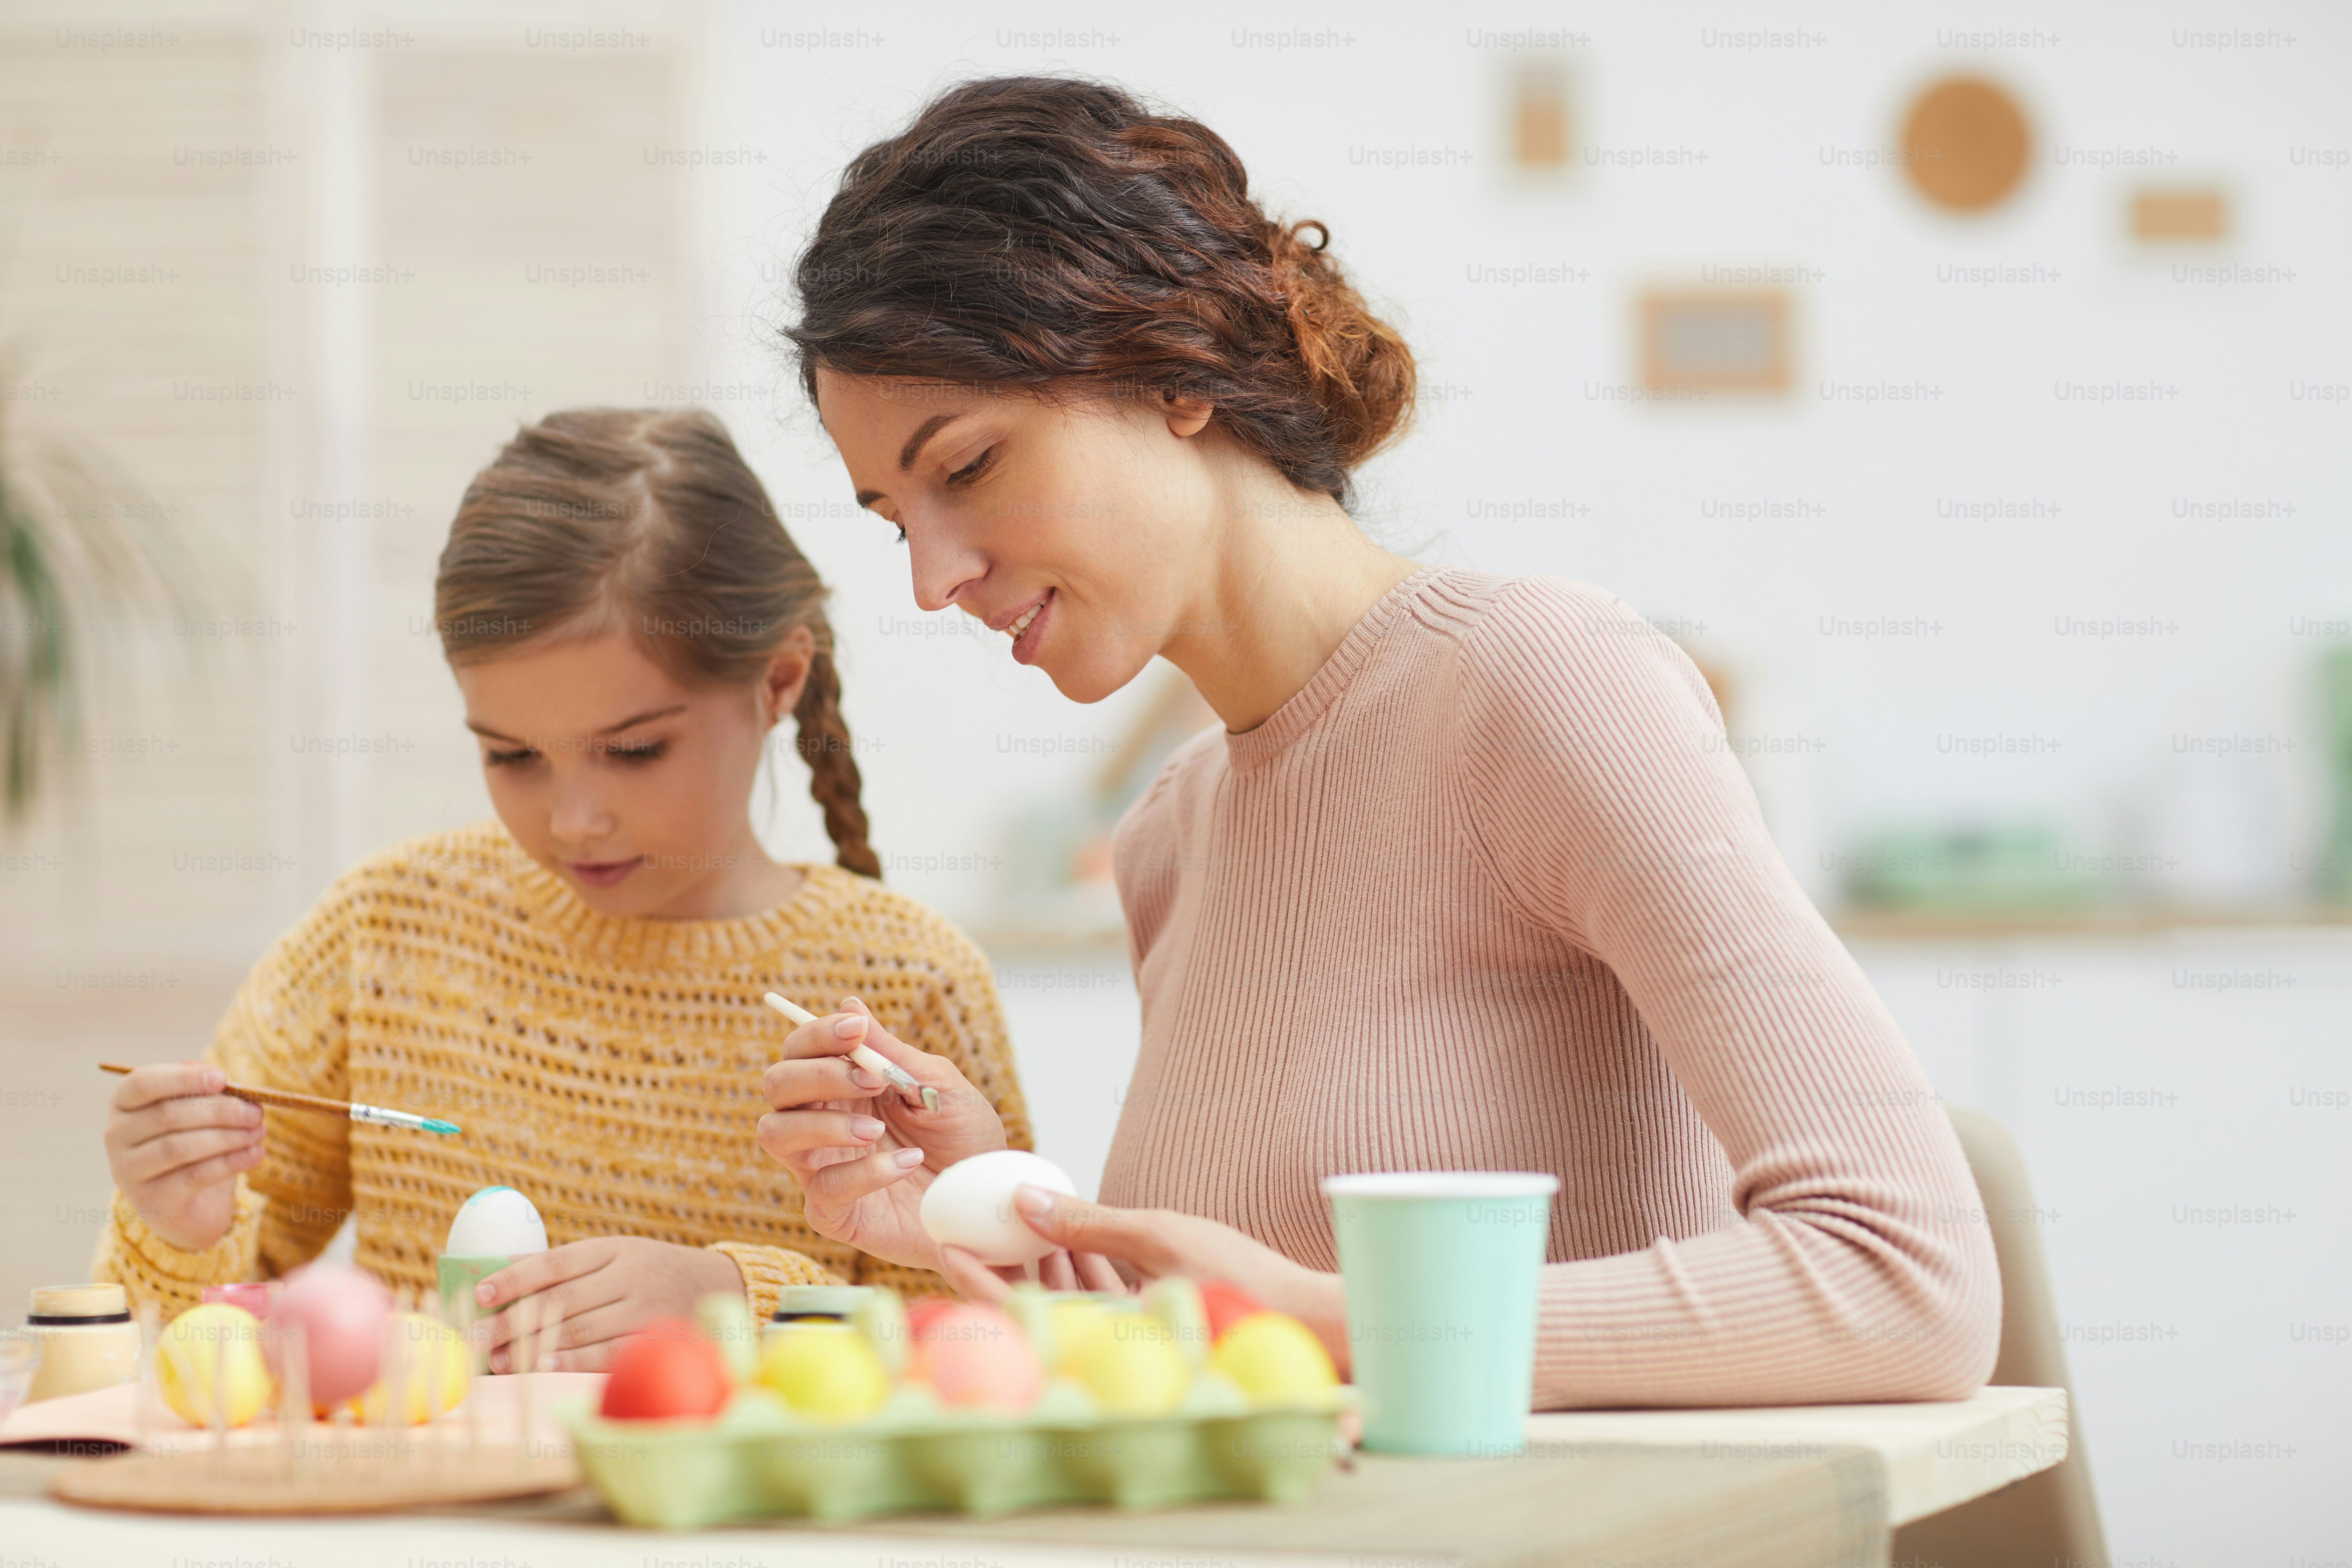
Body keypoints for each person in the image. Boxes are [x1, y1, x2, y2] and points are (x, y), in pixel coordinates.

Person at [755, 77, 1999, 1409]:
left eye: (971, 467)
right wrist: (986, 1206)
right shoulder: (1177, 832)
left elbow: (1905, 1284)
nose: (931, 581)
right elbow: (1253, 1348)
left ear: (1172, 371)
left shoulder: (1542, 688)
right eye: (894, 520)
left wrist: (1346, 1321)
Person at [96, 408, 1033, 1370]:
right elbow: (165, 1359)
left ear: (780, 680)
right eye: (511, 756)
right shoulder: (384, 930)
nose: (573, 820)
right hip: (429, 1510)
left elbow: (987, 1348)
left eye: (633, 751)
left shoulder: (907, 980)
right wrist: (182, 1224)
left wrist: (735, 1302)